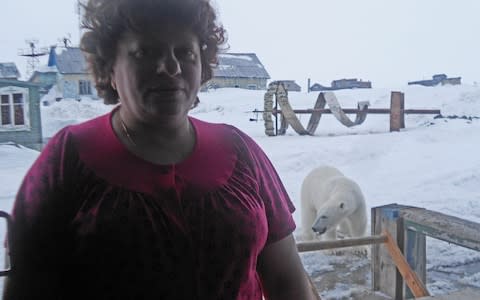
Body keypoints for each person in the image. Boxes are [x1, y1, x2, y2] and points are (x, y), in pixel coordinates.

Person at [4, 0, 319, 299]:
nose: (170, 67)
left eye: (184, 52)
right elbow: (27, 289)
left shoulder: (241, 152)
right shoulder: (68, 158)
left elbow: (286, 281)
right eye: (145, 52)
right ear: (109, 66)